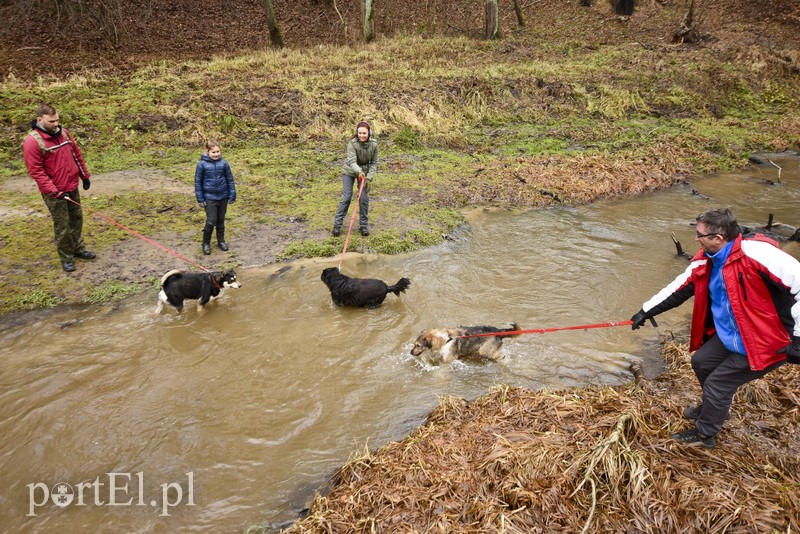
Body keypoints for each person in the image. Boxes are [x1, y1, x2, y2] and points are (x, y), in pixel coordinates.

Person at [630, 208, 800, 449]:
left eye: (700, 235)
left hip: (769, 339)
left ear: (718, 238)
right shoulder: (708, 259)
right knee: (702, 362)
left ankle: (705, 434)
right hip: (735, 333)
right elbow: (681, 286)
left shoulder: (761, 256)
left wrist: (798, 339)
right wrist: (646, 311)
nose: (696, 239)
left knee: (718, 383)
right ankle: (713, 405)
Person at [22, 104, 96, 273]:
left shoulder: (64, 133)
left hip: (71, 186)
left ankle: (78, 248)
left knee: (76, 219)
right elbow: (36, 171)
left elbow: (76, 154)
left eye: (57, 120)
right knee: (63, 225)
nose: (56, 124)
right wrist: (54, 191)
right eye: (51, 121)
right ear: (39, 120)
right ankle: (66, 257)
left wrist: (84, 176)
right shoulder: (32, 142)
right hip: (54, 192)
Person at [332, 120, 378, 237]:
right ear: (357, 133)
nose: (362, 135)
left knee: (363, 199)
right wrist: (359, 171)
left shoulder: (374, 145)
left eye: (364, 133)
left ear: (369, 133)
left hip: (364, 174)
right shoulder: (352, 144)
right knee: (346, 197)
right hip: (350, 172)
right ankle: (337, 226)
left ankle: (363, 227)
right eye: (360, 133)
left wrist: (369, 177)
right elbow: (351, 161)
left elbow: (374, 162)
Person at [195, 139, 236, 255]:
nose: (216, 154)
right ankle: (206, 243)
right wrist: (200, 198)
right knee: (211, 220)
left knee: (220, 220)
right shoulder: (201, 165)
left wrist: (232, 194)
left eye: (218, 152)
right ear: (207, 151)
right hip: (209, 197)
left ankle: (221, 241)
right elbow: (198, 182)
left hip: (223, 196)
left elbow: (230, 180)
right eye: (213, 152)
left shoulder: (224, 164)